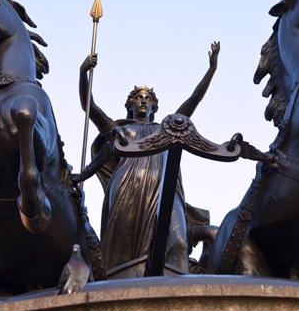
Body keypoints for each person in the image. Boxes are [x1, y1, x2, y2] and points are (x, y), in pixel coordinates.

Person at [79, 42, 220, 278]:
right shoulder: (117, 129)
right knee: (125, 254)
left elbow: (194, 99)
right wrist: (83, 72)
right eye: (138, 98)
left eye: (147, 99)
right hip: (127, 189)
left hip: (164, 190)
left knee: (178, 242)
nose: (143, 101)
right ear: (130, 105)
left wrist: (211, 69)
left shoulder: (168, 128)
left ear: (154, 106)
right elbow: (88, 106)